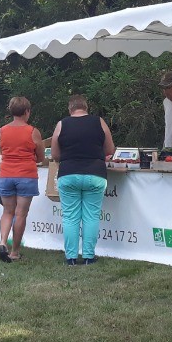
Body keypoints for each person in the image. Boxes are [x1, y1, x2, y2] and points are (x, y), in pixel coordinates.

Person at [51, 94, 115, 265]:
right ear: (86, 108)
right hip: (95, 174)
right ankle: (88, 256)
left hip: (68, 174)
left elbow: (55, 154)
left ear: (70, 108)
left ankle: (71, 257)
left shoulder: (61, 124)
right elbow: (110, 149)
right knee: (91, 216)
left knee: (70, 217)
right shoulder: (99, 122)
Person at [0, 96, 43, 262]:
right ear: (27, 112)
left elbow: (3, 149)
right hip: (26, 175)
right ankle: (15, 252)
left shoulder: (2, 130)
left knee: (7, 211)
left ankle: (3, 242)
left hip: (5, 174)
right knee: (21, 214)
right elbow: (40, 157)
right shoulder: (33, 131)